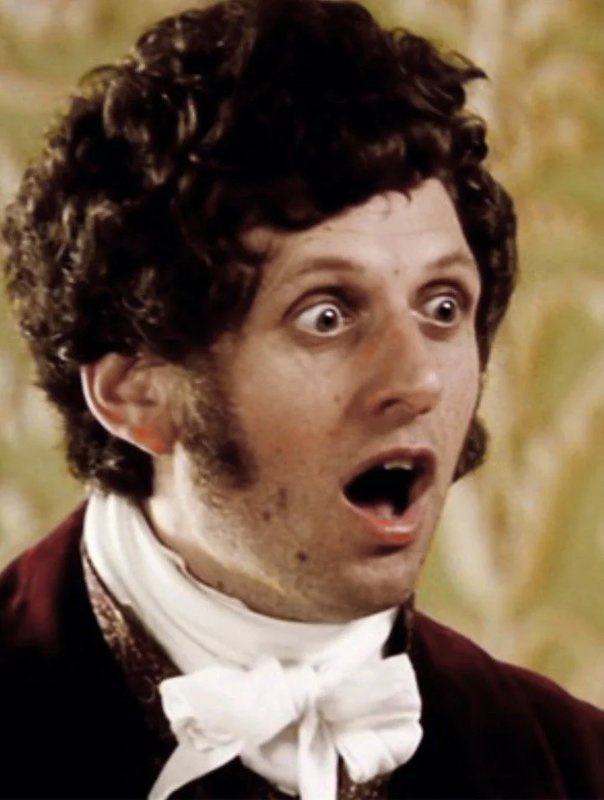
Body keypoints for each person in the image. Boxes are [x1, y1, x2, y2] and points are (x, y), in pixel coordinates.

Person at [1, 0, 603, 798]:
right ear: (135, 395)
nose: (418, 379)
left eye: (442, 307)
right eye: (326, 316)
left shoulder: (573, 761)